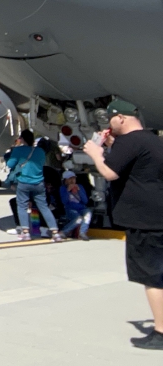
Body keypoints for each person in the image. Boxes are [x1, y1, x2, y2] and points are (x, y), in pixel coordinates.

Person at [83, 97, 163, 350]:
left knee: (152, 277)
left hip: (144, 220)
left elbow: (109, 172)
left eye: (111, 120)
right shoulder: (152, 139)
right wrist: (111, 146)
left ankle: (161, 332)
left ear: (121, 118)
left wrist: (96, 154)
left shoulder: (129, 141)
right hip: (158, 214)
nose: (109, 125)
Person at [6, 129, 62, 240]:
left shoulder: (19, 150)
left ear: (22, 139)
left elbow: (10, 164)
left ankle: (26, 233)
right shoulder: (40, 151)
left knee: (22, 206)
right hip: (39, 182)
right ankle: (55, 232)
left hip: (24, 182)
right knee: (44, 207)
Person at [59, 170, 92, 240]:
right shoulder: (63, 188)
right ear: (65, 180)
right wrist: (68, 191)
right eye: (70, 179)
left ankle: (82, 232)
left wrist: (79, 191)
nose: (72, 181)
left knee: (88, 213)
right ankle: (64, 232)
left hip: (81, 208)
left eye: (73, 178)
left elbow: (85, 201)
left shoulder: (80, 186)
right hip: (70, 209)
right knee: (78, 218)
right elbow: (64, 202)